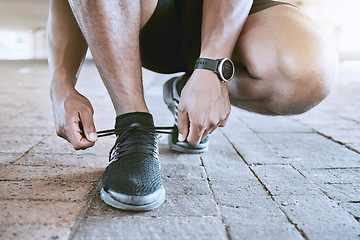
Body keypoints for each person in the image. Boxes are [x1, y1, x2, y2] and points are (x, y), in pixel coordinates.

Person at [47, 0, 338, 211]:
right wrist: (61, 85)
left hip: (236, 12)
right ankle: (133, 121)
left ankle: (189, 88)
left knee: (309, 72)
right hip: (141, 15)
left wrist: (212, 67)